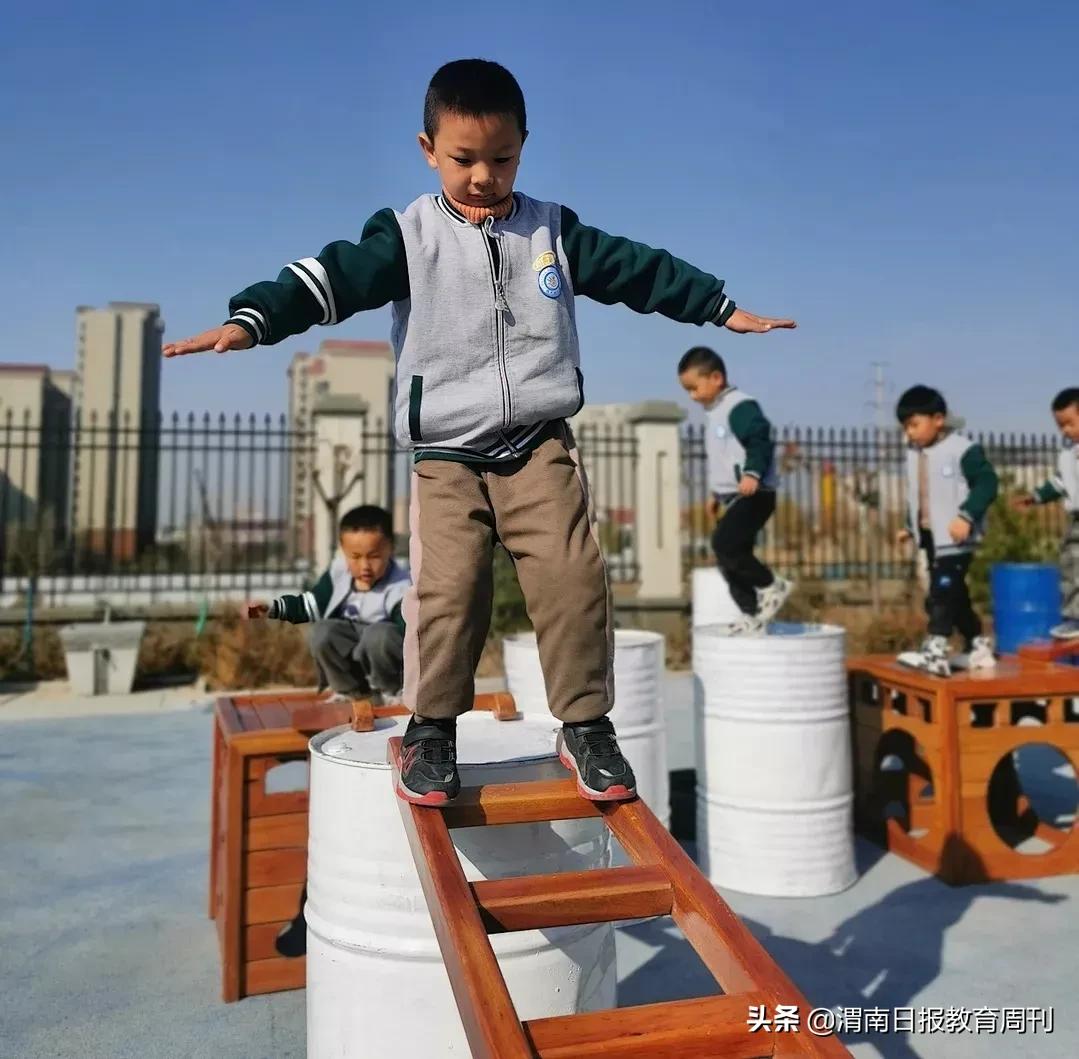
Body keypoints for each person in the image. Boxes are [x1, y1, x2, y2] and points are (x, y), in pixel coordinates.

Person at [164, 58, 796, 805]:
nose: (482, 176)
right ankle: (431, 728)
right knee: (448, 586)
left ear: (523, 146)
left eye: (501, 159)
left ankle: (586, 725)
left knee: (571, 577)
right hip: (447, 453)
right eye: (463, 159)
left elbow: (638, 269)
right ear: (428, 148)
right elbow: (330, 277)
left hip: (538, 442)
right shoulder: (407, 235)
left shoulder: (550, 232)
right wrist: (254, 318)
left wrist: (717, 307)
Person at [243, 505, 408, 703]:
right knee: (323, 631)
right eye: (355, 557)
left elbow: (410, 637)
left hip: (387, 663)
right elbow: (309, 605)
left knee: (379, 636)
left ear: (390, 548)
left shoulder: (402, 586)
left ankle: (391, 693)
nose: (364, 566)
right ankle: (349, 692)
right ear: (343, 550)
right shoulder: (338, 574)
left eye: (374, 557)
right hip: (354, 655)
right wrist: (271, 609)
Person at [678, 346, 792, 633]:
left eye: (694, 387)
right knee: (729, 556)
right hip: (737, 496)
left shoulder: (739, 406)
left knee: (724, 544)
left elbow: (759, 440)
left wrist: (753, 472)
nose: (692, 396)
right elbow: (727, 459)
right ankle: (752, 614)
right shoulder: (716, 413)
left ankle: (770, 584)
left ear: (716, 377)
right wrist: (716, 495)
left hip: (756, 494)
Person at [894, 386, 998, 676]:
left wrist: (966, 515)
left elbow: (987, 483)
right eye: (906, 427)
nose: (910, 433)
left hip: (956, 538)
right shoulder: (914, 454)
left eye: (914, 424)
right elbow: (917, 495)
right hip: (930, 537)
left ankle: (936, 649)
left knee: (940, 593)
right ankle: (977, 647)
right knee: (955, 594)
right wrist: (908, 526)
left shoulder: (962, 450)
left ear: (938, 419)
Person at [1012, 387, 1079, 640]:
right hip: (1076, 519)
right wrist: (1036, 497)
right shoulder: (1067, 456)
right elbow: (1061, 483)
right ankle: (1075, 618)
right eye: (1060, 426)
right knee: (1071, 564)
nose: (1065, 431)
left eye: (1070, 424)